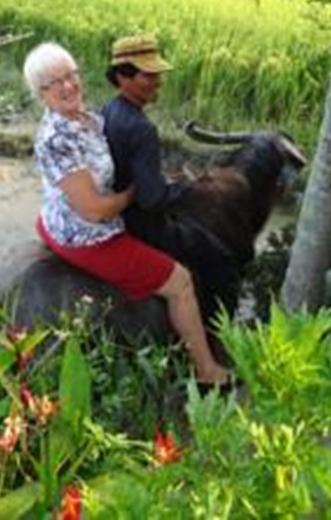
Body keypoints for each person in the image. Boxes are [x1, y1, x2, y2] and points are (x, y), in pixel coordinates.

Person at [24, 42, 230, 387]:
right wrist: (133, 193)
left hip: (55, 219)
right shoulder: (57, 139)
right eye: (54, 83)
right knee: (181, 282)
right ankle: (207, 370)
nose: (68, 86)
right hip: (88, 234)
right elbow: (94, 210)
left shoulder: (87, 116)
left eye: (71, 75)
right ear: (40, 93)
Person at [101, 34, 240, 331]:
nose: (158, 82)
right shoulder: (142, 128)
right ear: (123, 77)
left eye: (158, 74)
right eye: (148, 75)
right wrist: (193, 186)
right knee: (220, 259)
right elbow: (152, 199)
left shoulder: (109, 111)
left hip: (116, 214)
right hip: (140, 223)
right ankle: (216, 334)